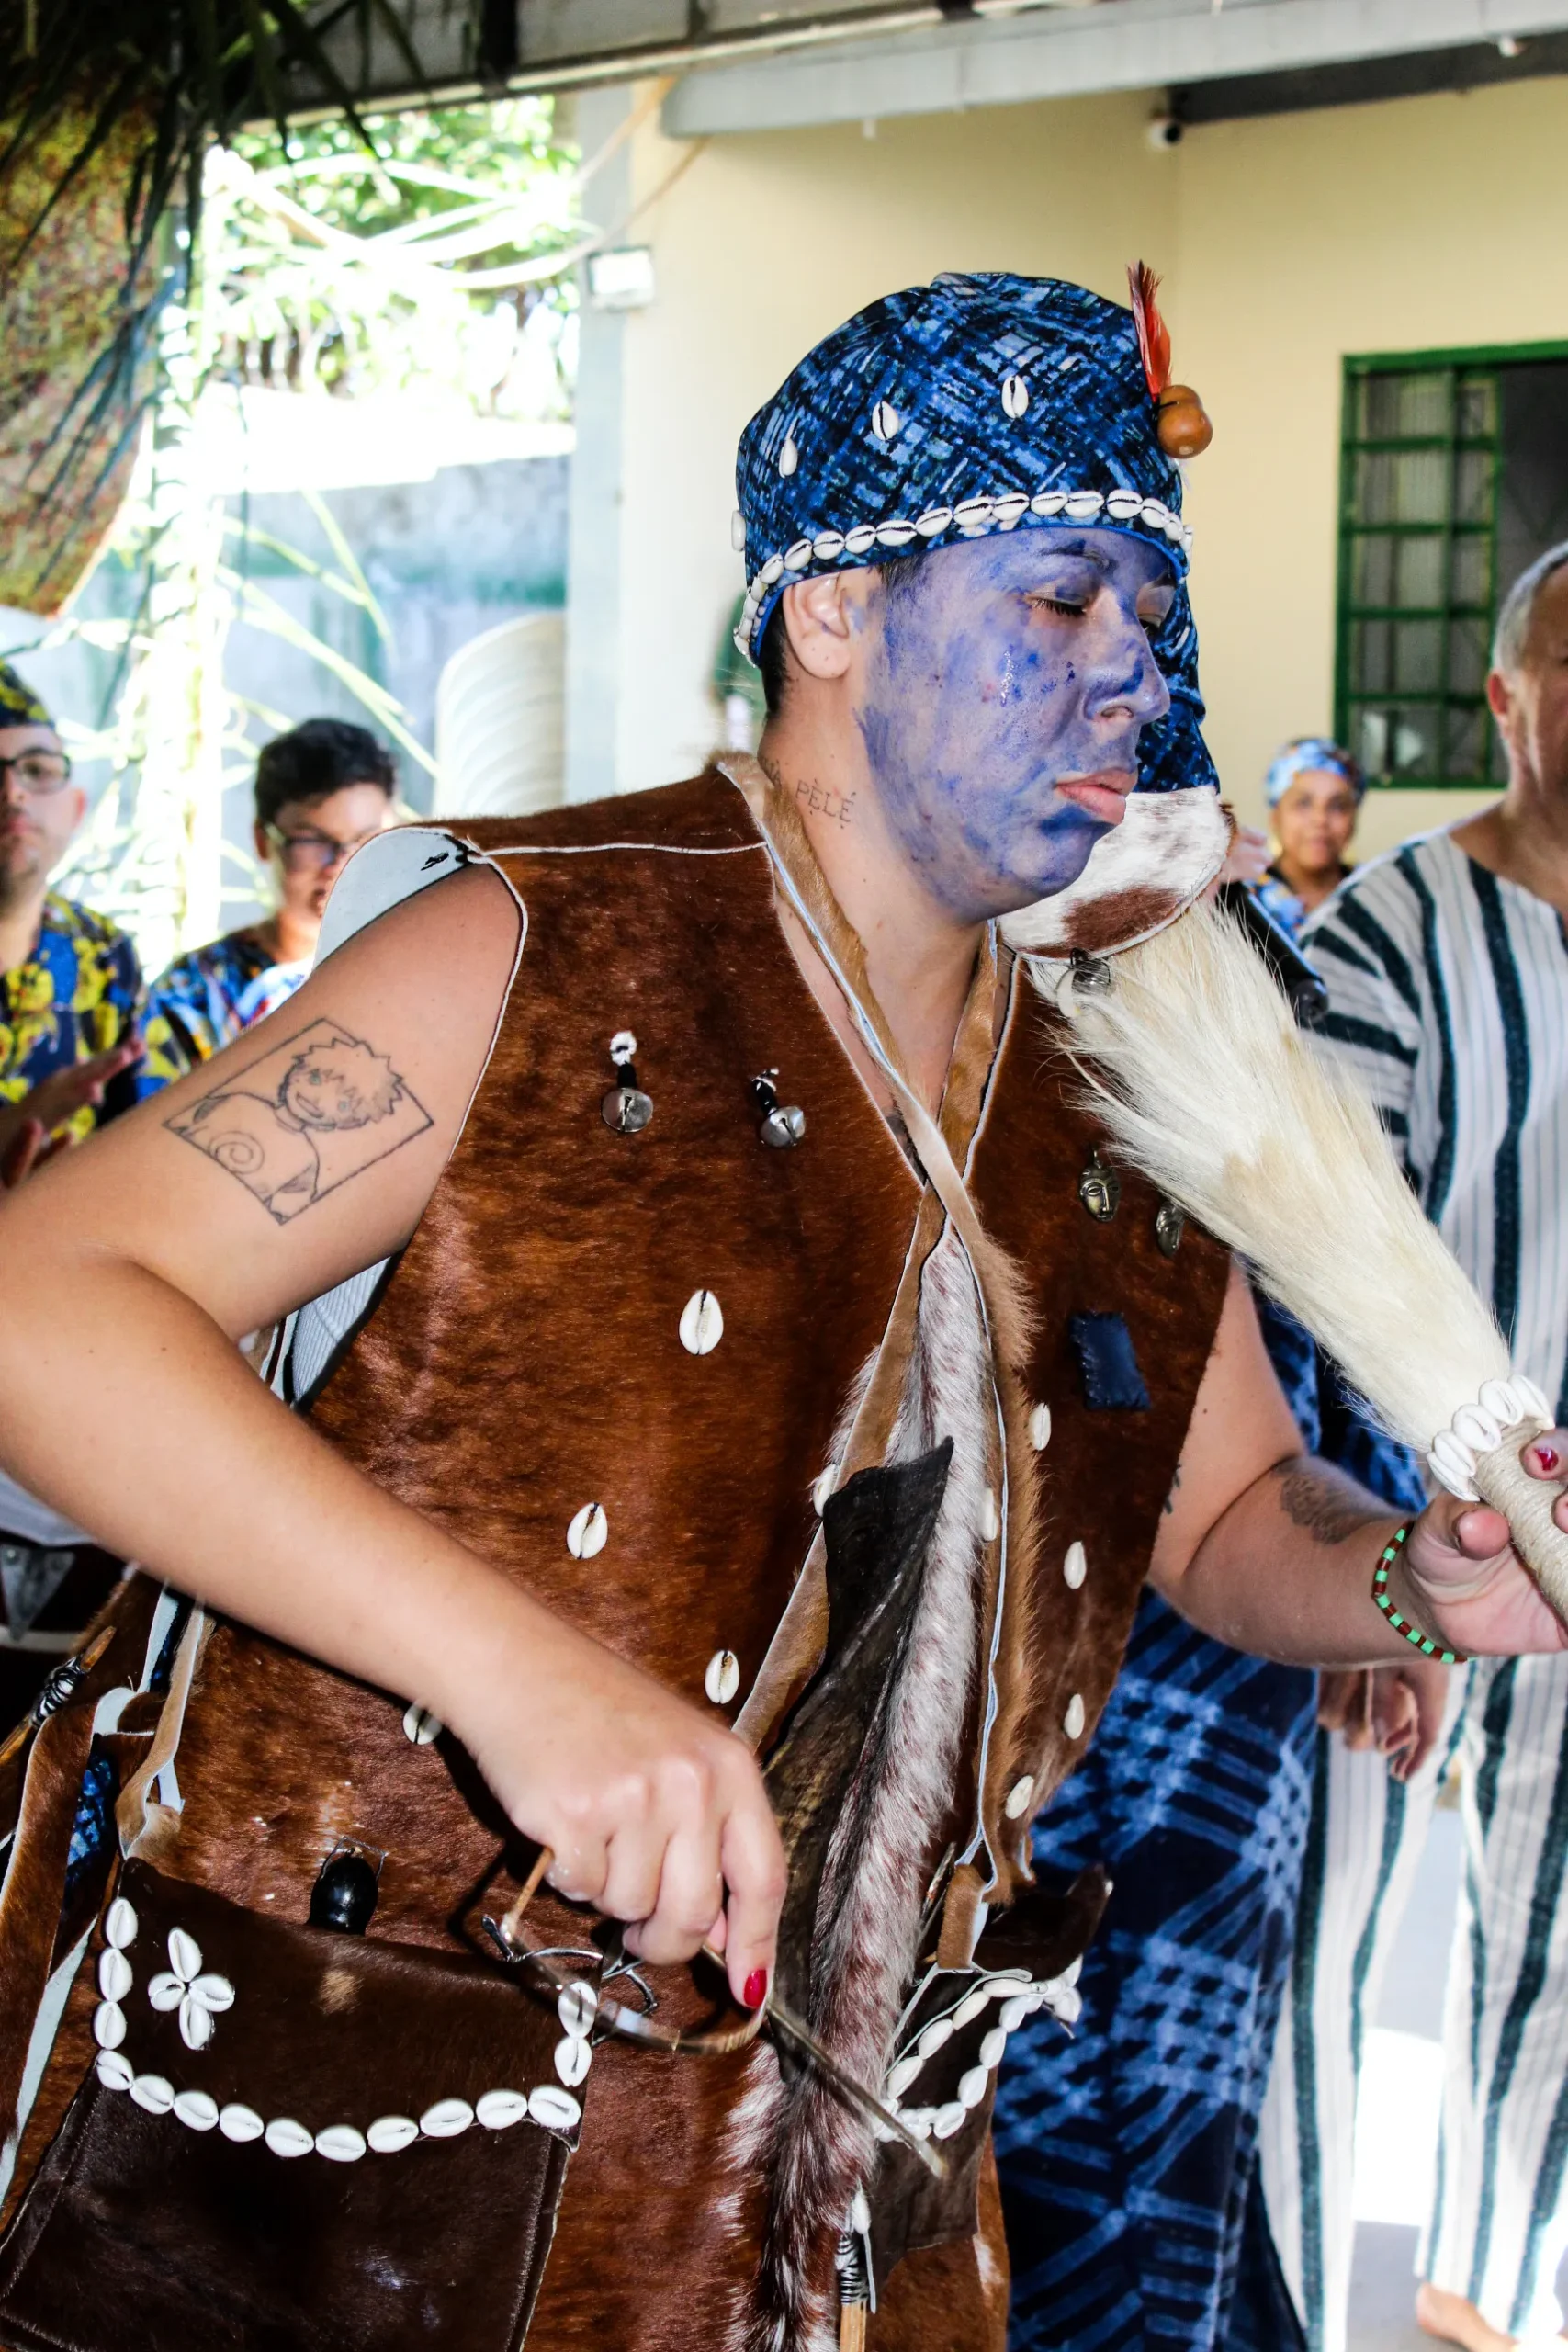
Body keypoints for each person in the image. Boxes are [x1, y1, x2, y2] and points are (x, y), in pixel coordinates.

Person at [0, 274, 1563, 2352]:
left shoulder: (1122, 1068)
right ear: (827, 609)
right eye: (1058, 598)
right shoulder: (538, 945)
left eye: (1149, 616)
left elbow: (1215, 1516)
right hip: (362, 2172)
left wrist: (1400, 1577)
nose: (1131, 674)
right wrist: (521, 1679)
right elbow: (43, 1302)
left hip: (862, 2209)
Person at [1259, 541, 1568, 2352]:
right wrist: (1355, 1570)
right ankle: (1291, 2307)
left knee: (1554, 1959)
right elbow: (1305, 1269)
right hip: (1419, 1549)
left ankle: (1496, 2294)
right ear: (1505, 701)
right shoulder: (1393, 932)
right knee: (1328, 1947)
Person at [0, 659, 182, 1723]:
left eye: (36, 768)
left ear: (72, 803)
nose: (11, 793)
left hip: (62, 1331)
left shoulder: (102, 956)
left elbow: (145, 1161)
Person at [147, 718, 397, 1071]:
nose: (342, 863)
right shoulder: (195, 994)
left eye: (365, 840)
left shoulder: (420, 977)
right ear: (263, 840)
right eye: (313, 841)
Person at [1254, 738, 1365, 933]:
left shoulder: (1375, 895)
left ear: (1353, 819)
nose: (1320, 819)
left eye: (1338, 806)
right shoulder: (1243, 901)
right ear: (1276, 817)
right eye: (1303, 803)